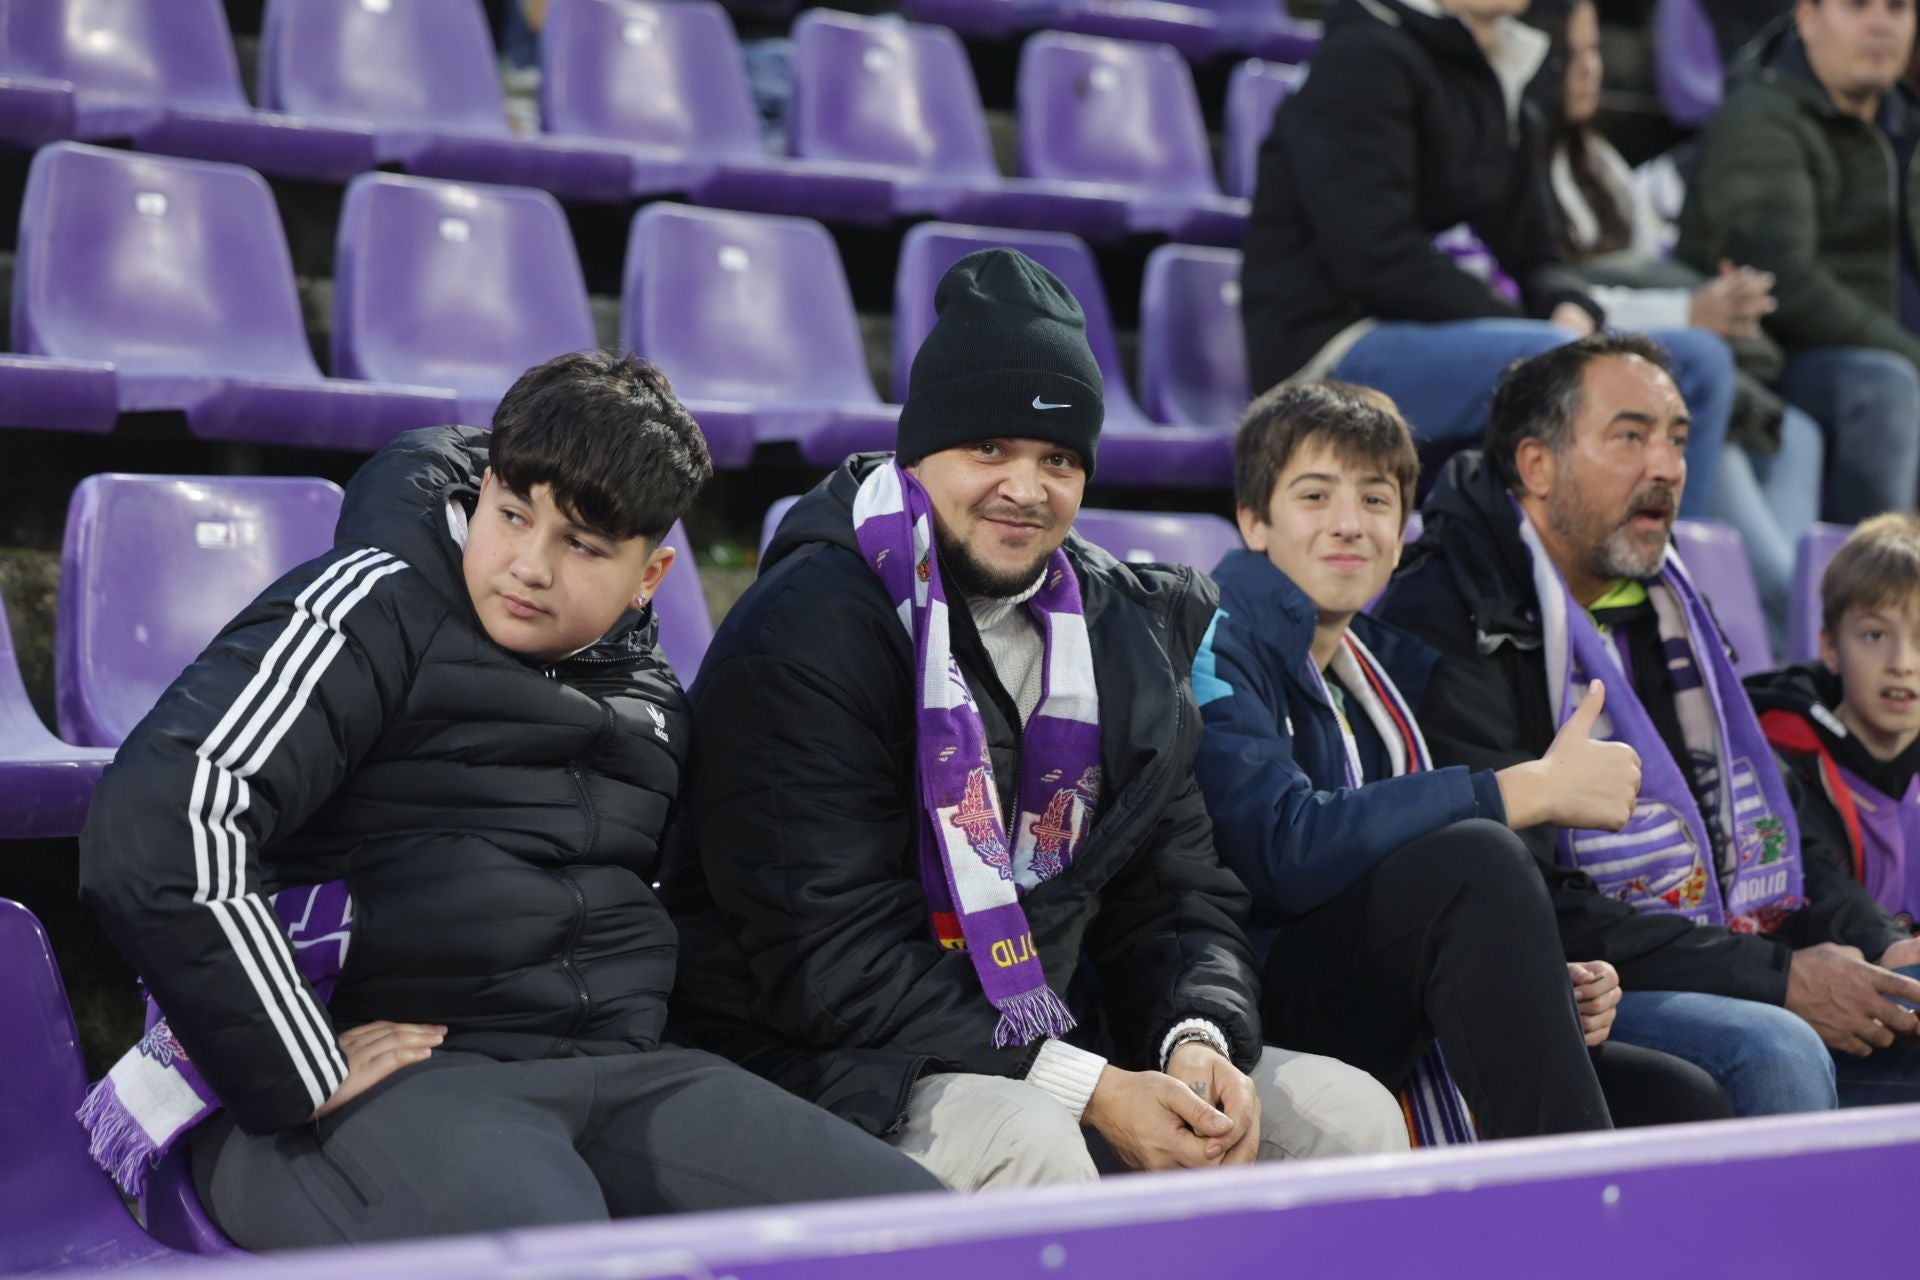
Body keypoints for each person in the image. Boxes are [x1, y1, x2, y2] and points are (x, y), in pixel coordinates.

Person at [77, 352, 938, 1249]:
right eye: (513, 514)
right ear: (481, 489)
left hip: (616, 1072)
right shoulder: (372, 605)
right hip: (361, 1092)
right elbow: (161, 823)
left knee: (931, 1241)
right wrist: (290, 1058)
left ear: (652, 576)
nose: (530, 565)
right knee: (552, 1256)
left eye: (583, 545)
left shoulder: (652, 696)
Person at [664, 249, 1408, 1191]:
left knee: (1352, 1117)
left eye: (1057, 458)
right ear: (918, 454)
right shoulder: (805, 629)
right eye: (990, 450)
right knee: (1032, 1141)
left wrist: (1194, 1036)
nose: (1027, 487)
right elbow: (827, 960)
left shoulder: (1120, 633)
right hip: (816, 1056)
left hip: (1058, 1035)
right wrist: (1087, 1087)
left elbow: (1177, 896)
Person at [1376, 333, 1920, 1113]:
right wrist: (1779, 980)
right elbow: (1521, 899)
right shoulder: (1453, 618)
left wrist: (1875, 939)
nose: (1666, 466)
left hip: (1720, 957)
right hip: (1575, 986)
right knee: (1773, 1048)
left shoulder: (1671, 605)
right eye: (1631, 436)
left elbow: (1782, 830)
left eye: (1676, 440)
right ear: (1538, 466)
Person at [1191, 379, 1733, 1137]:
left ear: (1404, 526)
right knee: (1478, 857)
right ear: (1253, 520)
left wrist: (1538, 978)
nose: (1349, 524)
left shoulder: (1383, 667)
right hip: (1240, 994)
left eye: (1377, 501)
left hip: (1358, 985)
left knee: (1686, 1101)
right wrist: (1522, 789)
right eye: (1315, 497)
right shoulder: (1209, 635)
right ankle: (1573, 1235)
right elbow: (1279, 844)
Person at [1241, 0, 1729, 515]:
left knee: (1700, 363)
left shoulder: (1491, 64)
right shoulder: (1363, 54)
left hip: (1419, 330)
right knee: (1560, 368)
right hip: (1331, 346)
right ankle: (1578, 570)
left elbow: (1535, 248)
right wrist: (1538, 329)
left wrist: (1568, 302)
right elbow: (1375, 258)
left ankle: (1656, 570)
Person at [1541, 0, 1820, 630]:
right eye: (1570, 55)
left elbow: (1648, 260)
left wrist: (1717, 297)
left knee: (1801, 430)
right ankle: (1782, 619)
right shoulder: (1516, 163)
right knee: (1705, 373)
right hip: (1616, 366)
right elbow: (1564, 299)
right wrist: (1689, 309)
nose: (1588, 70)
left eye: (1593, 52)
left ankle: (1794, 621)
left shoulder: (1605, 164)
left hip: (1669, 365)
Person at [1679, 0, 1920, 523]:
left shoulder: (1907, 129)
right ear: (1807, 18)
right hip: (1781, 363)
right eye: (1858, 6)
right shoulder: (1760, 113)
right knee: (1887, 386)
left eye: (1898, 8)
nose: (1880, 23)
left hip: (1890, 355)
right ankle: (1874, 588)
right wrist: (1913, 354)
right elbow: (1781, 279)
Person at [1746, 516, 1920, 1039]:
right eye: (1874, 635)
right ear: (1829, 647)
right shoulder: (1784, 750)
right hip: (1833, 1001)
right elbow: (1818, 885)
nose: (1902, 664)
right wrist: (1887, 941)